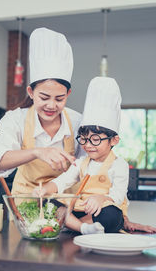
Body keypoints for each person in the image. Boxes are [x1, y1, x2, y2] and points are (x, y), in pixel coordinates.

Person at [33, 77, 156, 234]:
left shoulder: (119, 165)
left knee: (112, 215)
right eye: (84, 139)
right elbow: (63, 181)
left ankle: (71, 224)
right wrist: (45, 189)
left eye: (96, 139)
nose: (88, 145)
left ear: (114, 140)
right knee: (48, 203)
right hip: (81, 210)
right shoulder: (82, 162)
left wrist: (101, 199)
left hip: (100, 211)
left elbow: (118, 196)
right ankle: (82, 228)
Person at [0, 27, 82, 196]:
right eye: (44, 97)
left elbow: (87, 165)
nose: (51, 105)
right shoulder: (16, 119)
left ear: (68, 94)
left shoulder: (77, 122)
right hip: (26, 201)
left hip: (66, 204)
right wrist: (37, 152)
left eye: (59, 99)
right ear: (31, 92)